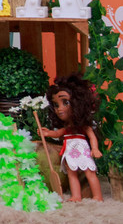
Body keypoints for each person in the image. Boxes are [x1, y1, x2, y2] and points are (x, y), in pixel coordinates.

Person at [39, 73, 103, 202]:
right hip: (69, 153)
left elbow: (91, 135)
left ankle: (97, 196)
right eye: (56, 105)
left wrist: (95, 149)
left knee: (89, 172)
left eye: (65, 102)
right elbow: (59, 133)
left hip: (82, 151)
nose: (59, 109)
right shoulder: (67, 127)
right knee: (71, 174)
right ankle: (76, 196)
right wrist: (47, 133)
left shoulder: (82, 126)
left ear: (78, 103)